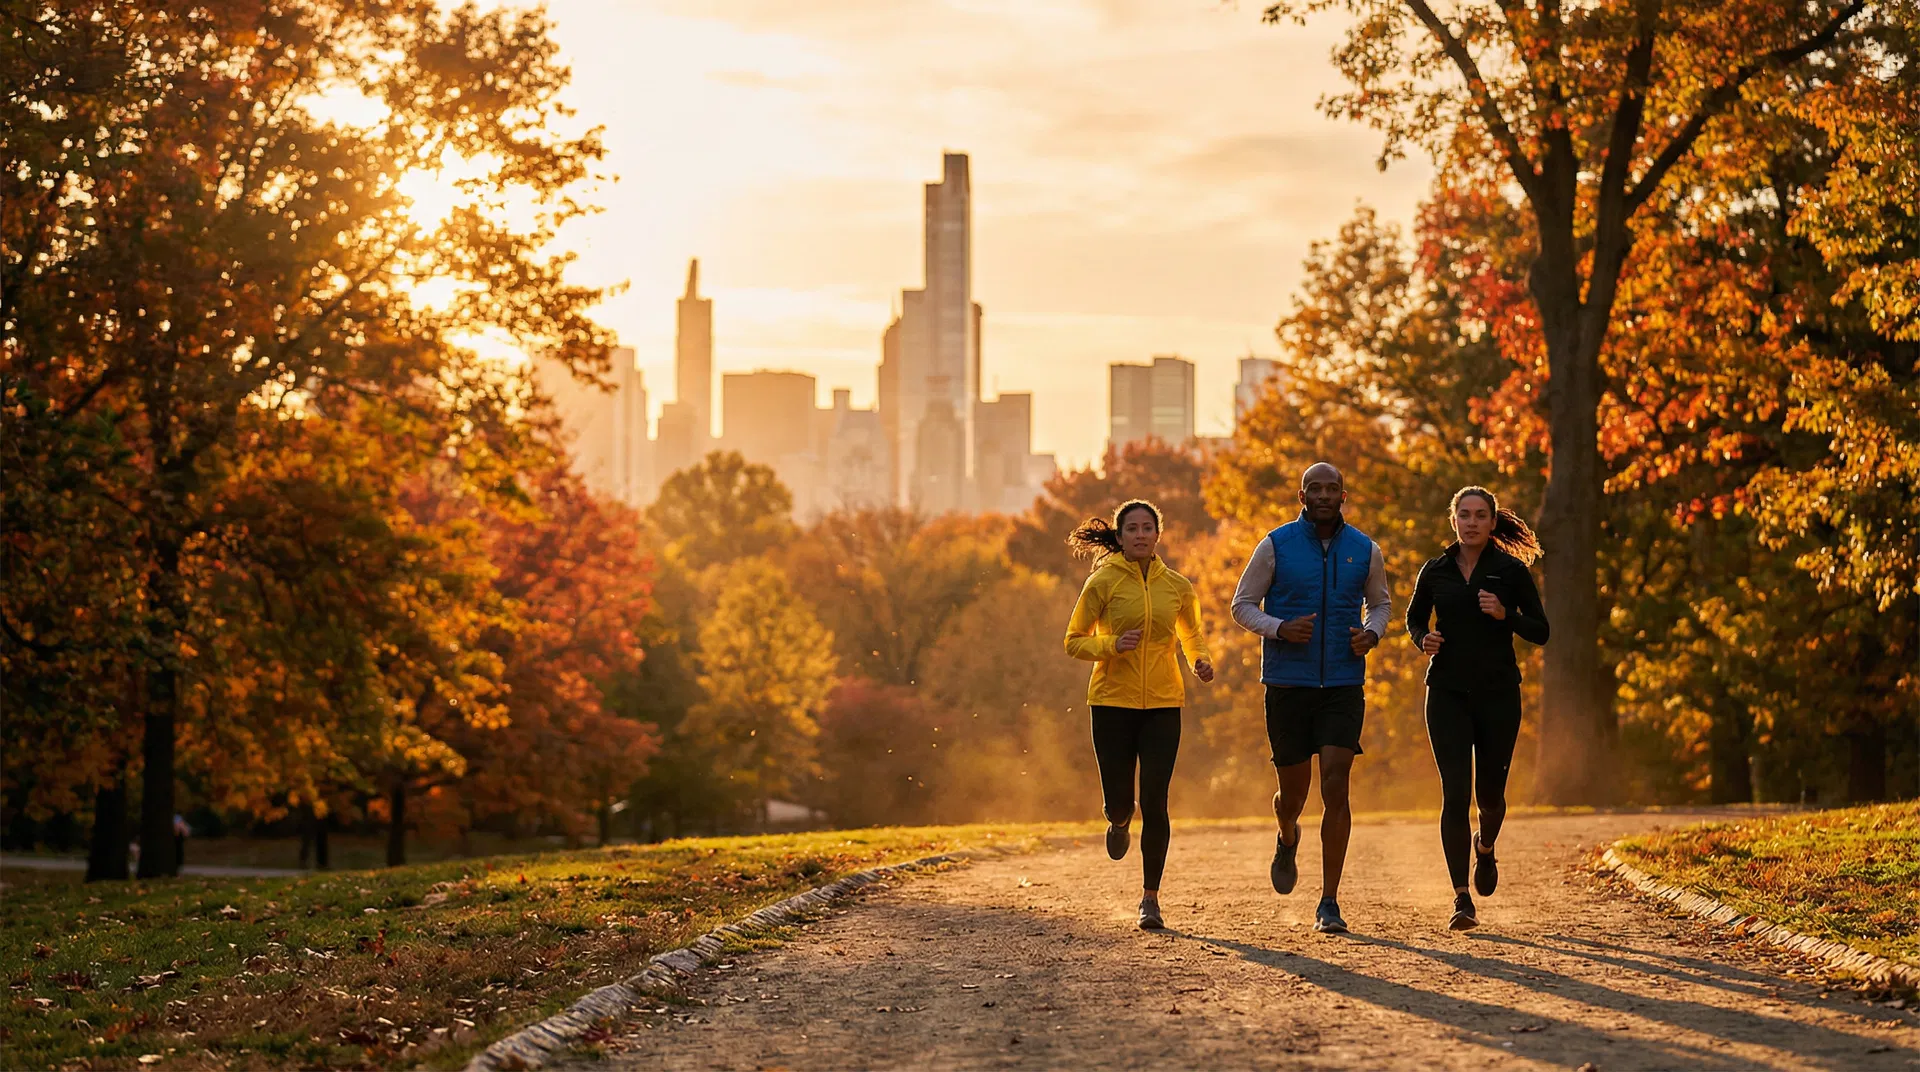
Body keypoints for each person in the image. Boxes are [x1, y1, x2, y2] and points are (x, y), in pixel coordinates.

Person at [1231, 463, 1390, 934]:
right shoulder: (1275, 545)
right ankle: (1286, 833)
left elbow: (1380, 603)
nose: (1324, 495)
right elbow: (1242, 604)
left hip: (1342, 684)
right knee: (1293, 793)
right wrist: (1279, 628)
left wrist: (1372, 634)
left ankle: (1329, 902)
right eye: (1315, 489)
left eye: (1332, 488)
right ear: (1302, 496)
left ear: (1344, 494)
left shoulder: (1365, 549)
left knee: (1336, 783)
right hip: (1288, 685)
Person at [1064, 499, 1214, 931]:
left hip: (1164, 703)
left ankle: (1151, 898)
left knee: (1156, 800)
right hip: (1111, 701)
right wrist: (1112, 645)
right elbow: (1073, 641)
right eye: (1132, 529)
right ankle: (1117, 819)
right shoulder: (1102, 582)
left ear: (1158, 534)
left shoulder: (1178, 586)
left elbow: (1192, 635)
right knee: (1121, 801)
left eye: (1148, 527)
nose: (1141, 535)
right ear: (1120, 535)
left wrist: (1199, 662)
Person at [1407, 486, 1548, 930]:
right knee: (1455, 794)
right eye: (1464, 515)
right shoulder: (1435, 571)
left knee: (1490, 796)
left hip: (1498, 693)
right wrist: (1422, 639)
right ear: (1453, 521)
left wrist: (1506, 615)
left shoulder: (1510, 571)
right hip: (1446, 691)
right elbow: (1414, 619)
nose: (1471, 522)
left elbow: (1541, 631)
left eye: (1479, 515)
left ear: (1492, 522)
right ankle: (1460, 899)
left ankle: (1484, 848)